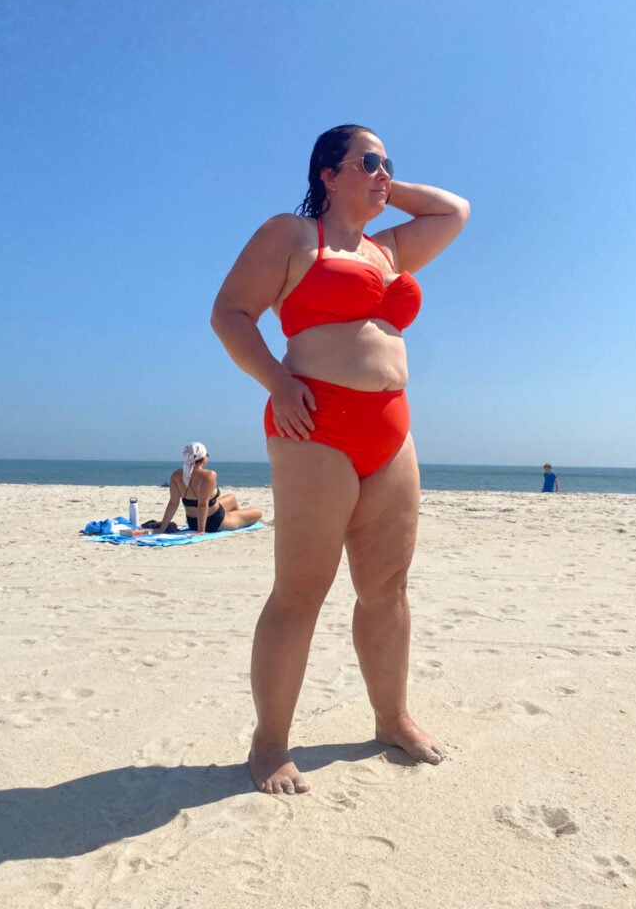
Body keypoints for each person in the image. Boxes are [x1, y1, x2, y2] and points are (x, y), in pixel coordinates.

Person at [210, 124, 470, 795]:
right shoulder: (293, 236)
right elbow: (231, 314)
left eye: (388, 162)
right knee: (300, 593)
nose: (383, 172)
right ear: (327, 173)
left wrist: (385, 181)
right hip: (314, 427)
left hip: (392, 433)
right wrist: (278, 381)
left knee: (386, 590)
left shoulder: (390, 249)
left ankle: (392, 718)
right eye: (368, 161)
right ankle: (269, 744)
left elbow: (454, 211)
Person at [154, 443, 262, 535]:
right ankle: (235, 518)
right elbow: (202, 505)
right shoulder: (208, 475)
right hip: (214, 522)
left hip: (192, 522)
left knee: (232, 498)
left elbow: (173, 503)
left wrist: (161, 529)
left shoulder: (176, 475)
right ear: (203, 457)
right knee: (258, 512)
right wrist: (201, 531)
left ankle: (237, 516)